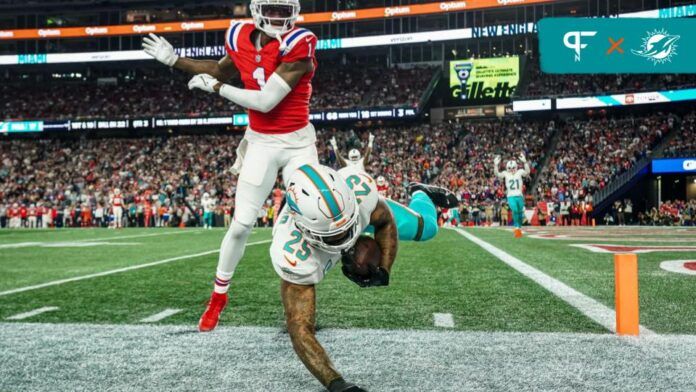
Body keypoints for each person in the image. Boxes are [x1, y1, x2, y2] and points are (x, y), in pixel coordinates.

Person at [144, 0, 320, 332]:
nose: (281, 17)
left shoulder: (300, 42)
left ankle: (306, 302)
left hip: (298, 144)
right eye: (274, 9)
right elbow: (219, 69)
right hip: (261, 142)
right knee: (240, 225)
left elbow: (266, 101)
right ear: (256, 10)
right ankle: (217, 298)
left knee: (310, 220)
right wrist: (174, 61)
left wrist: (219, 90)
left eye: (286, 10)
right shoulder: (238, 35)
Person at [270, 164, 457, 391]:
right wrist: (337, 384)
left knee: (427, 228)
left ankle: (420, 192)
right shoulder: (293, 254)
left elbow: (385, 220)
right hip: (317, 239)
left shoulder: (360, 194)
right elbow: (299, 328)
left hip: (351, 215)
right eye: (334, 236)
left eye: (348, 226)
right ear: (304, 228)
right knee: (298, 319)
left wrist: (385, 269)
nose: (345, 237)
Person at [494, 153, 530, 237]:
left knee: (520, 212)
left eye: (513, 168)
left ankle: (519, 228)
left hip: (519, 195)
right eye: (509, 168)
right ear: (507, 168)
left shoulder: (520, 172)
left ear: (516, 167)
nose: (511, 169)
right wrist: (495, 165)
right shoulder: (505, 173)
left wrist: (525, 162)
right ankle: (517, 227)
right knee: (515, 210)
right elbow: (497, 174)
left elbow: (527, 172)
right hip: (511, 196)